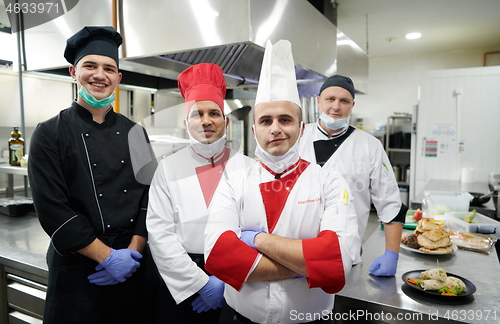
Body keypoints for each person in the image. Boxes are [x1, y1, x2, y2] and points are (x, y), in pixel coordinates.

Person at [204, 40, 360, 324]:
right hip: (238, 318)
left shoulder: (329, 181)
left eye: (285, 119)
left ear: (301, 129)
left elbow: (338, 259)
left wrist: (256, 240)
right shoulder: (233, 180)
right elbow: (218, 254)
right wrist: (307, 266)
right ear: (254, 129)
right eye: (266, 121)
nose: (275, 128)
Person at [28, 26, 161, 324]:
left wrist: (131, 255)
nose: (100, 75)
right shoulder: (49, 134)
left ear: (118, 78)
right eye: (90, 65)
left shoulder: (135, 133)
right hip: (77, 271)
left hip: (132, 265)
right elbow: (52, 210)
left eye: (109, 68)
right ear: (74, 72)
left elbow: (150, 198)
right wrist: (108, 258)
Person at [146, 63, 253, 323]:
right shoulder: (168, 168)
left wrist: (225, 281)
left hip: (234, 279)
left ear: (225, 121)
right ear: (186, 123)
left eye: (214, 113)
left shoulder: (249, 168)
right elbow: (159, 233)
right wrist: (200, 285)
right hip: (181, 283)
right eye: (197, 114)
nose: (206, 120)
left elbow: (257, 230)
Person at [299, 74, 407, 277]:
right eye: (330, 99)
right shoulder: (297, 136)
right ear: (318, 101)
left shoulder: (369, 145)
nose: (336, 106)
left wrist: (392, 254)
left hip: (345, 255)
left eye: (344, 101)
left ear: (352, 105)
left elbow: (390, 202)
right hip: (295, 253)